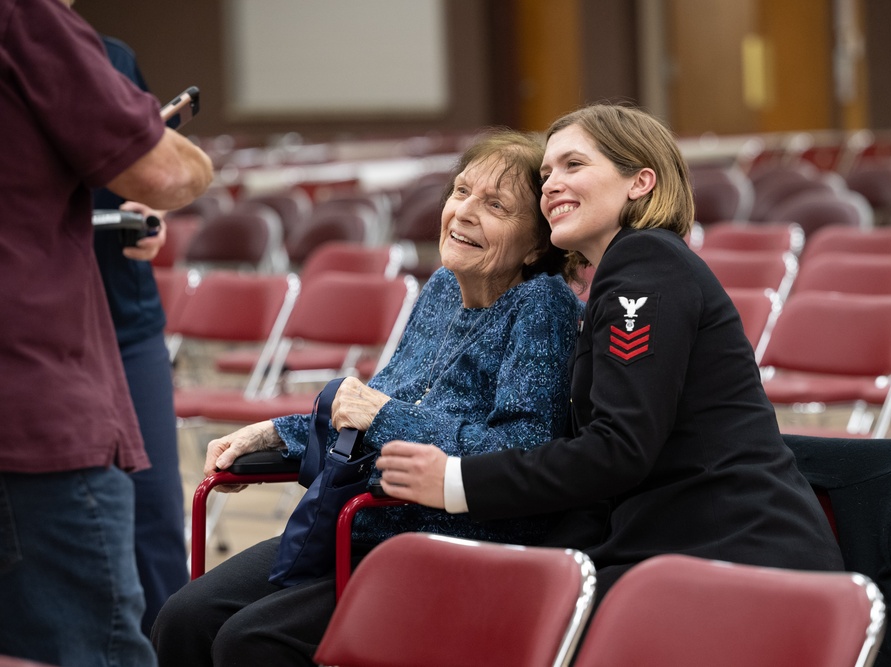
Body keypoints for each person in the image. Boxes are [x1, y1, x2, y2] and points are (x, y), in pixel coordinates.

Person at [375, 103, 845, 601]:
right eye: (547, 172)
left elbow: (619, 448)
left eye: (573, 165)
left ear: (639, 182)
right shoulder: (628, 271)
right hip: (683, 542)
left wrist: (454, 479)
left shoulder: (646, 265)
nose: (552, 183)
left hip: (737, 553)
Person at [150, 129, 584, 667]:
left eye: (495, 205)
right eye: (462, 192)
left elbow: (525, 447)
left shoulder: (543, 306)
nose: (466, 212)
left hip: (446, 539)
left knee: (252, 641)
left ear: (539, 242)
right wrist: (276, 432)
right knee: (183, 618)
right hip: (364, 522)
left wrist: (387, 416)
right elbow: (371, 404)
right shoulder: (444, 288)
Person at [0, 0, 214, 664]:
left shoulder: (104, 53)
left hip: (108, 325)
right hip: (37, 384)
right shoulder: (27, 23)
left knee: (152, 531)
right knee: (94, 642)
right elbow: (169, 169)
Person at [90, 31, 190, 636]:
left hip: (126, 320)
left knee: (154, 511)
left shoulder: (114, 58)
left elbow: (158, 178)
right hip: (34, 329)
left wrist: (153, 220)